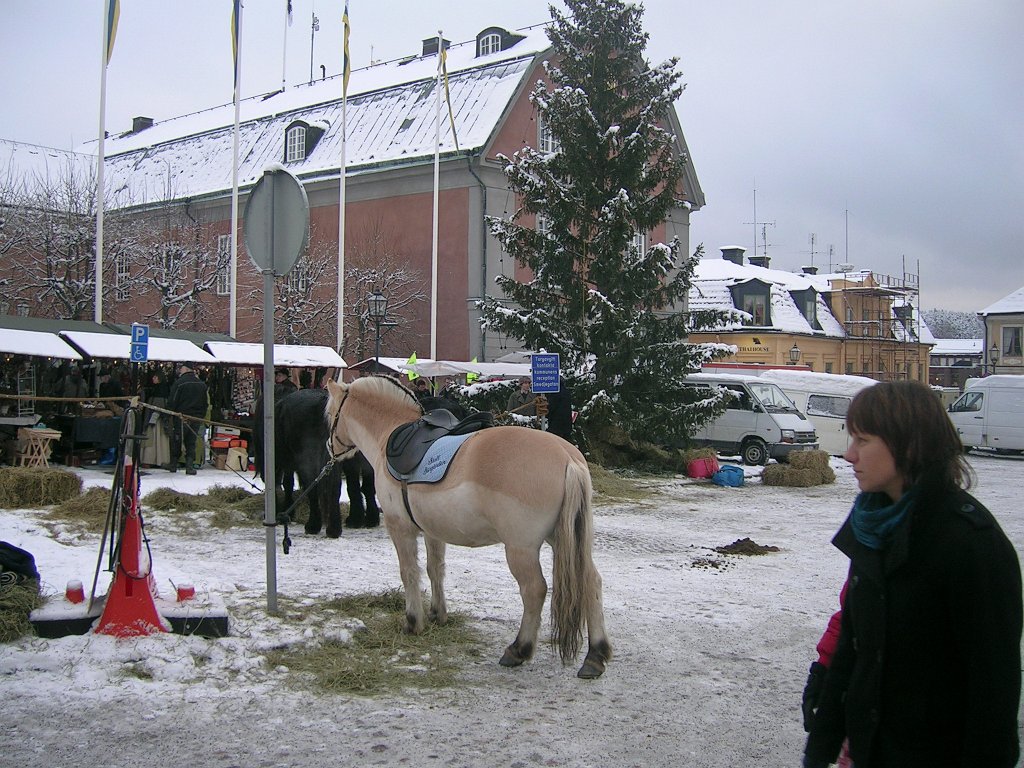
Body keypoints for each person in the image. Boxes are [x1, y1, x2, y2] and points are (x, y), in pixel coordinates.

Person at [804, 381, 1022, 768]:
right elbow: (856, 648)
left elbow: (993, 694)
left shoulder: (971, 544)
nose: (849, 454)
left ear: (909, 445)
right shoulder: (873, 526)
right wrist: (823, 744)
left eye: (863, 440)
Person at [165, 363, 208, 475]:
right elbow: (205, 403)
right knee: (191, 442)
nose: (180, 370)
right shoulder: (202, 384)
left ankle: (173, 464)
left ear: (185, 369)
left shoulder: (179, 383)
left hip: (181, 416)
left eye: (181, 368)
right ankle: (189, 466)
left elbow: (172, 401)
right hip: (196, 417)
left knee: (177, 441)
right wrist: (201, 416)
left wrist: (170, 414)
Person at [545, 376, 574, 443]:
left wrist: (546, 415)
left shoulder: (555, 393)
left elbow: (551, 407)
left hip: (556, 424)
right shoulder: (567, 392)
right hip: (567, 425)